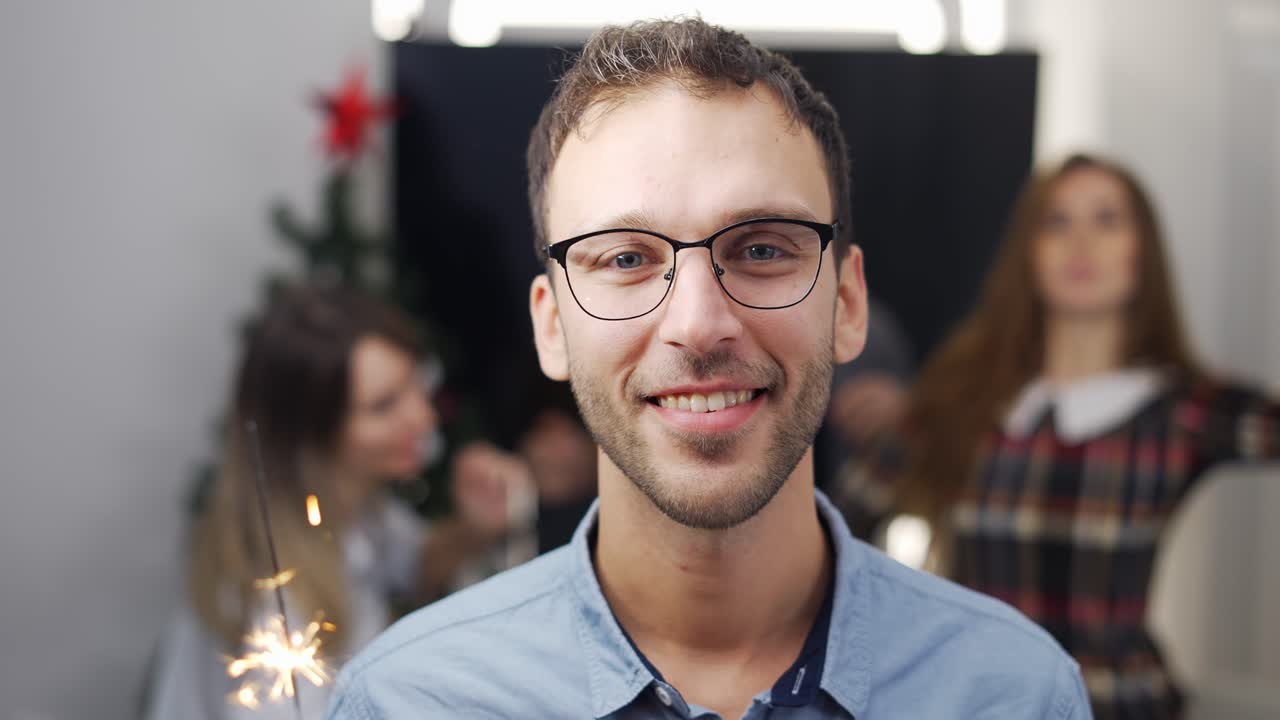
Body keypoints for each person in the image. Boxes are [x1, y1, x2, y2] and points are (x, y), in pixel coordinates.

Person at [326, 18, 1089, 720]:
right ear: (551, 327)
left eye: (761, 249)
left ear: (848, 303)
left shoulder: (1015, 694)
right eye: (626, 258)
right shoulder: (409, 702)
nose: (697, 324)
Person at [830, 153, 1280, 719]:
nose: (1081, 245)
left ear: (1142, 252)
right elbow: (831, 536)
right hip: (982, 700)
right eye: (1057, 223)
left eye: (1107, 221)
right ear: (1029, 253)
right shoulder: (961, 402)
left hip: (1117, 704)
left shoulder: (1181, 409)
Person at [143, 283, 529, 719]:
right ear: (311, 435)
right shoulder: (276, 605)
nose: (423, 417)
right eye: (384, 406)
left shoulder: (349, 508)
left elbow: (410, 565)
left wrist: (471, 529)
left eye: (415, 384)